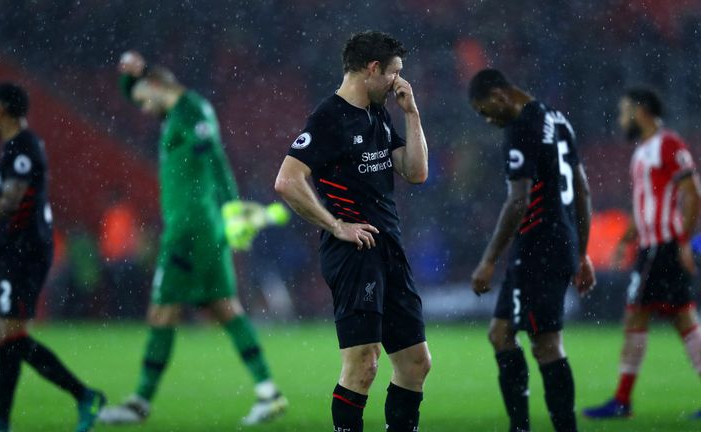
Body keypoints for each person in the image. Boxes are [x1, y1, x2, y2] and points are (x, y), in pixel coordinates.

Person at [98, 51, 287, 426]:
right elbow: (137, 92)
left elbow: (215, 159)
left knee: (162, 311)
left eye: (142, 99)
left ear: (155, 87)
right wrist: (131, 75)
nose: (143, 109)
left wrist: (233, 207)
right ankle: (269, 393)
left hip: (189, 229)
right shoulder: (177, 113)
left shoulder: (191, 110)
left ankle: (139, 402)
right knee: (225, 309)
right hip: (204, 226)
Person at [275, 30, 431, 432]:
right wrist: (336, 225)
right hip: (354, 254)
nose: (399, 81)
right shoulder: (329, 117)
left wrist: (412, 113)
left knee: (415, 363)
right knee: (363, 363)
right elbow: (288, 180)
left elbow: (416, 171)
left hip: (389, 246)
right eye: (395, 72)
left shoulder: (378, 112)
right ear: (373, 69)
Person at [0, 82, 105, 432]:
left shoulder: (23, 147)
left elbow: (12, 201)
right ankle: (1, 420)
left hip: (26, 250)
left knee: (11, 333)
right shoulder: (13, 148)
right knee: (3, 334)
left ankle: (84, 395)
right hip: (14, 246)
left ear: (2, 111)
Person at [468, 69, 595, 432]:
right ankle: (520, 427)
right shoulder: (558, 120)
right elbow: (583, 190)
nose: (489, 120)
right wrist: (581, 251)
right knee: (501, 334)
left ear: (499, 95)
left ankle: (563, 428)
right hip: (558, 241)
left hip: (540, 245)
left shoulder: (521, 127)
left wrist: (488, 260)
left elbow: (518, 201)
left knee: (546, 343)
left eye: (485, 110)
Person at [583, 88, 701, 420]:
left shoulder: (667, 144)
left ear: (642, 110)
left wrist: (683, 242)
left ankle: (622, 401)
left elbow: (693, 194)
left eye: (625, 111)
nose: (622, 119)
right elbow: (645, 204)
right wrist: (627, 238)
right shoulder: (643, 152)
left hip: (662, 247)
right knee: (682, 319)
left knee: (639, 315)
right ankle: (621, 400)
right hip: (651, 247)